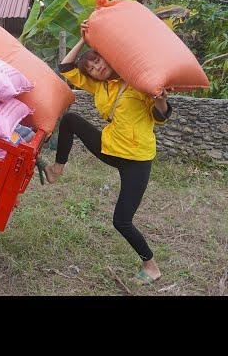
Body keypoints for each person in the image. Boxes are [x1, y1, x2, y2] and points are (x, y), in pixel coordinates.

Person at [38, 19, 172, 285]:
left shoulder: (136, 82)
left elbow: (161, 115)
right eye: (91, 68)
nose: (96, 68)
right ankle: (57, 169)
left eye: (98, 61)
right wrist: (84, 40)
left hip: (136, 159)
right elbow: (65, 67)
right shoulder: (99, 86)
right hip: (110, 148)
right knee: (71, 120)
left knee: (121, 220)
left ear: (108, 60)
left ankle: (151, 265)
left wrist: (161, 99)